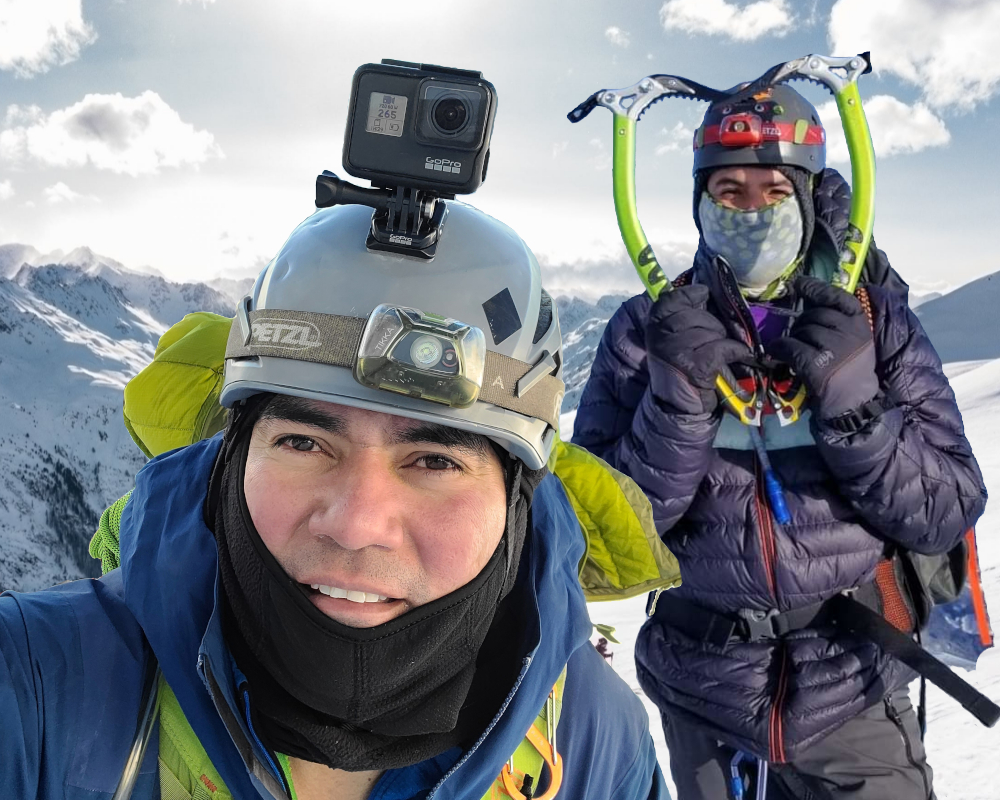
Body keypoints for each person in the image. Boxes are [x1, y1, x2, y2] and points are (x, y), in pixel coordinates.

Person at [0, 199, 680, 799]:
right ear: (232, 456)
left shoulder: (598, 745)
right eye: (303, 443)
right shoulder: (34, 682)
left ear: (517, 497)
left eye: (436, 459)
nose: (356, 526)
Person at [572, 84, 988, 799]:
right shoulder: (647, 331)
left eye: (773, 189)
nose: (751, 211)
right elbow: (599, 539)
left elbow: (947, 506)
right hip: (703, 691)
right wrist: (676, 404)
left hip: (853, 689)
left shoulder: (874, 320)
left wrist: (857, 411)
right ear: (699, 204)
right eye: (728, 190)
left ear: (805, 196)